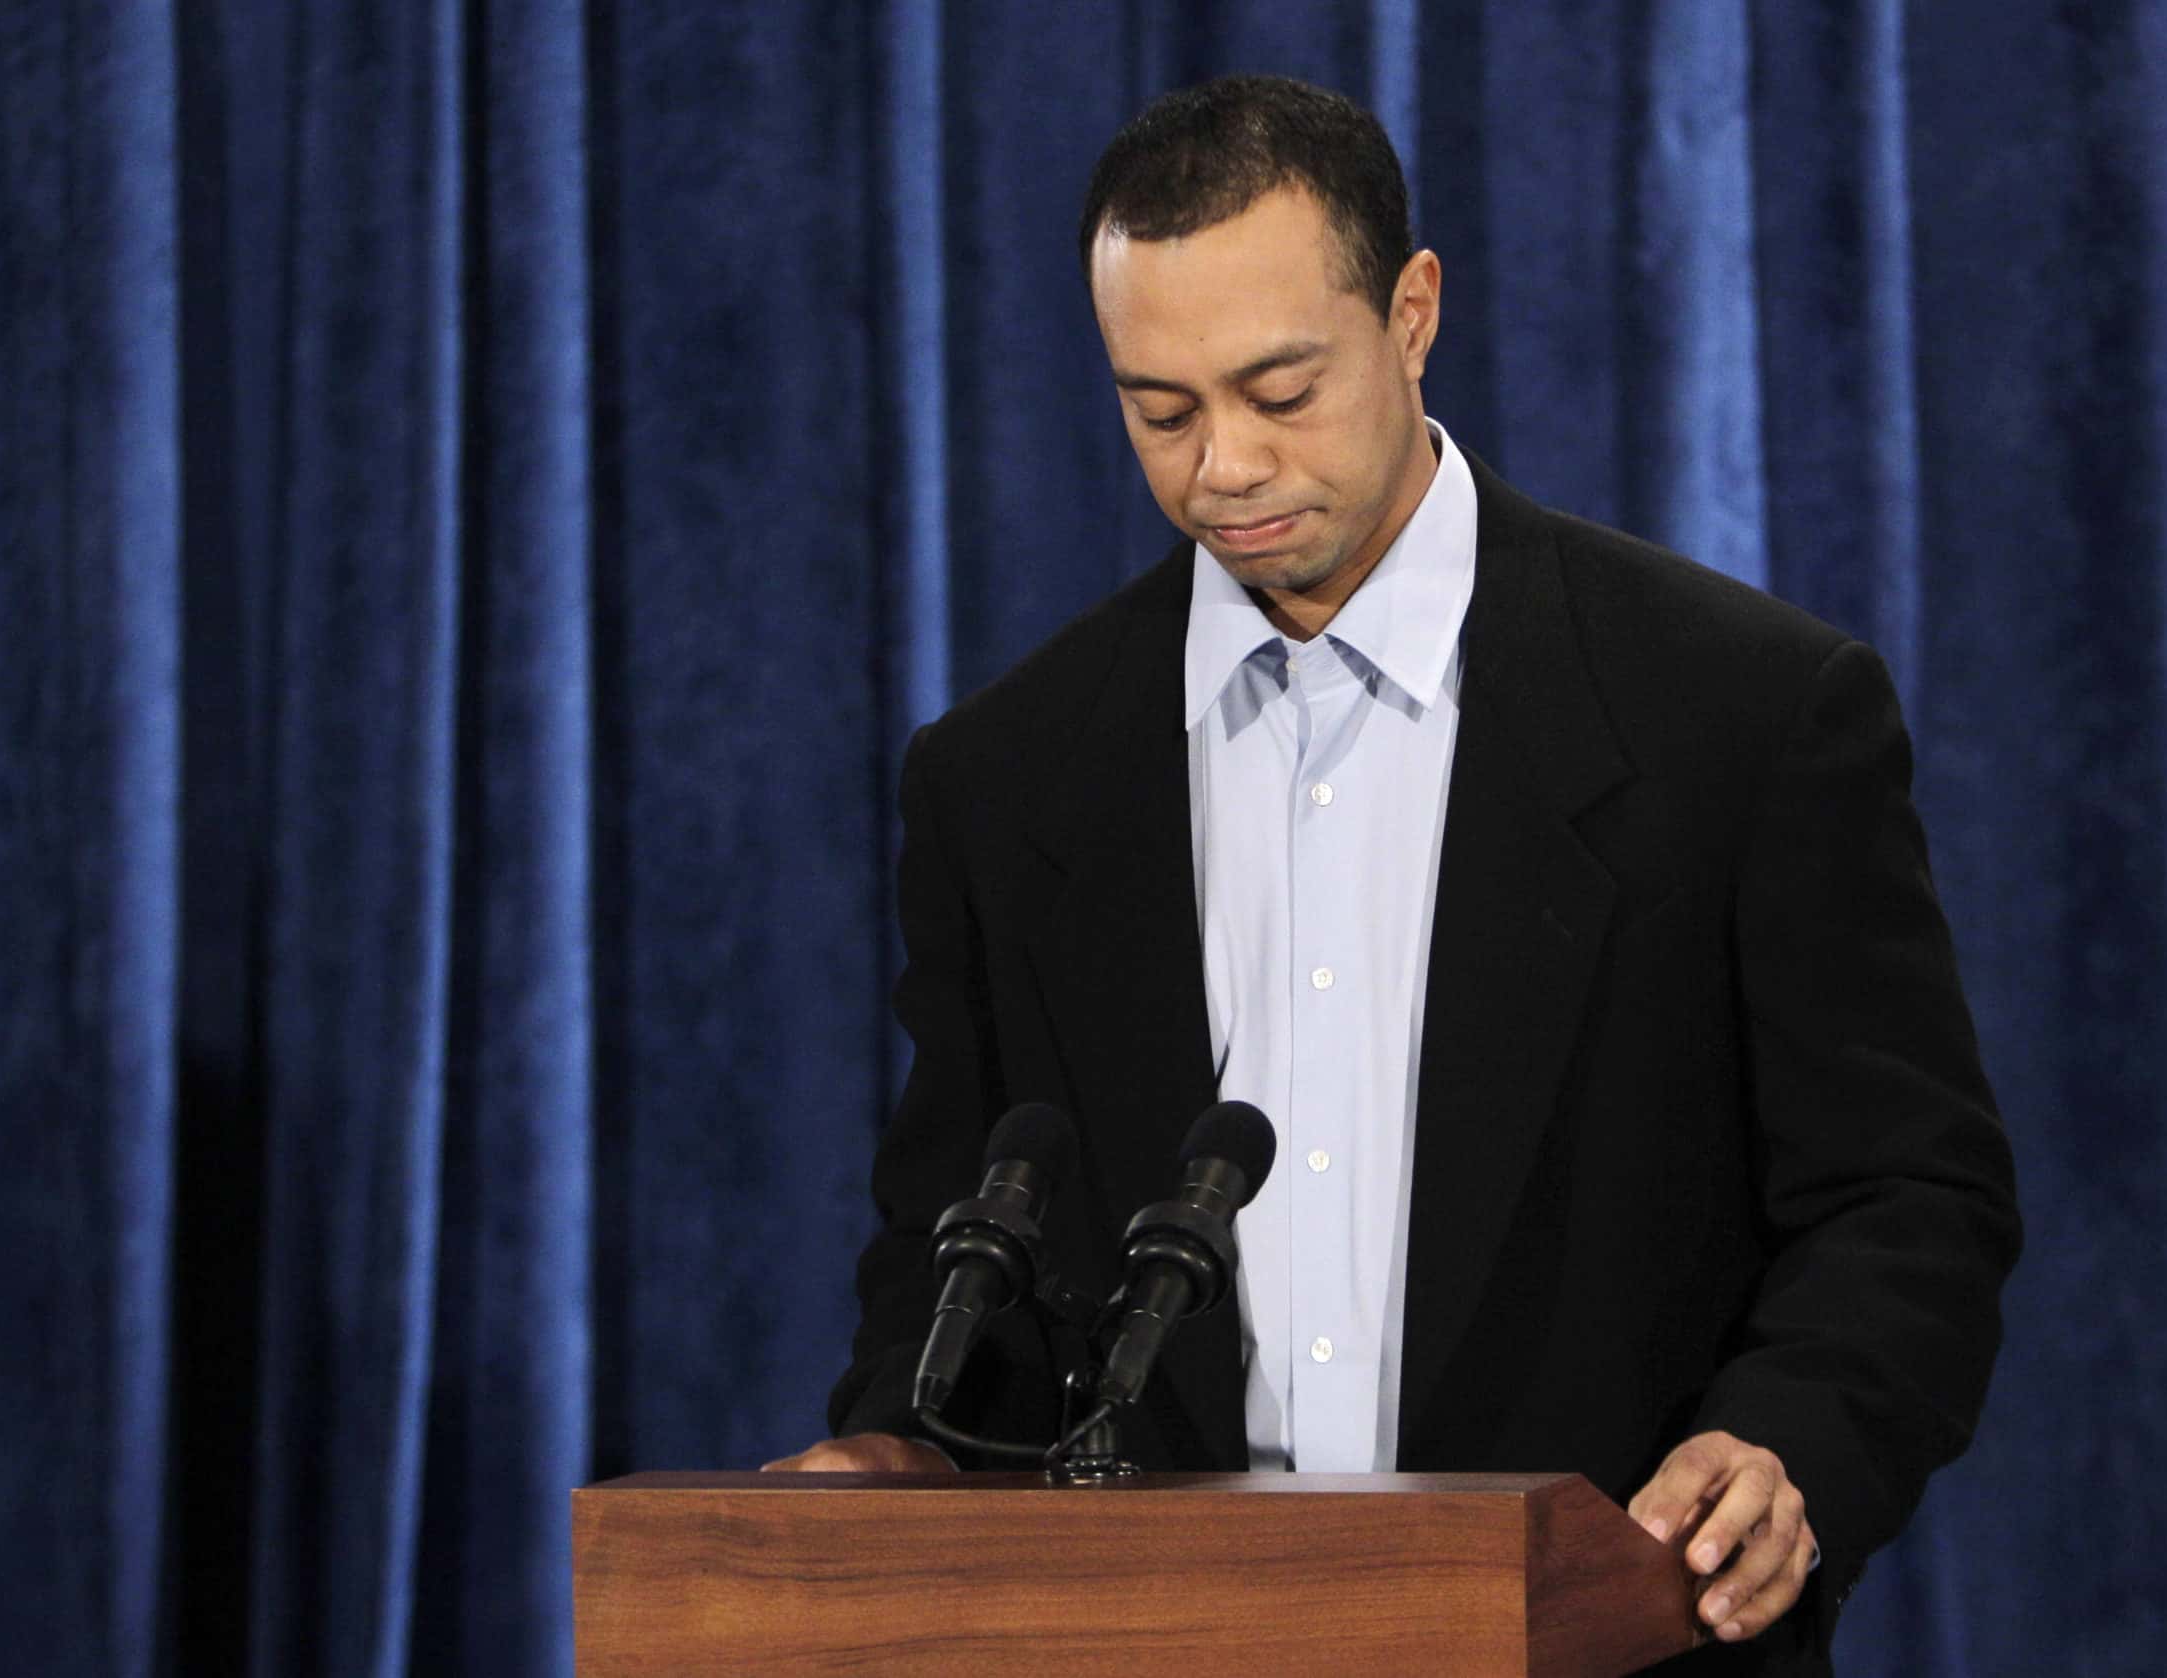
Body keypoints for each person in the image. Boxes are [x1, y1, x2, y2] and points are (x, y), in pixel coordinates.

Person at [767, 75, 2020, 1672]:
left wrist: (1789, 1447)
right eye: (1161, 409)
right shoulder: (1005, 778)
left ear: (1411, 313)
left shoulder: (1747, 716)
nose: (1223, 465)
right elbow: (952, 1237)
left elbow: (1908, 1191)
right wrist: (899, 1446)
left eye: (1280, 387)